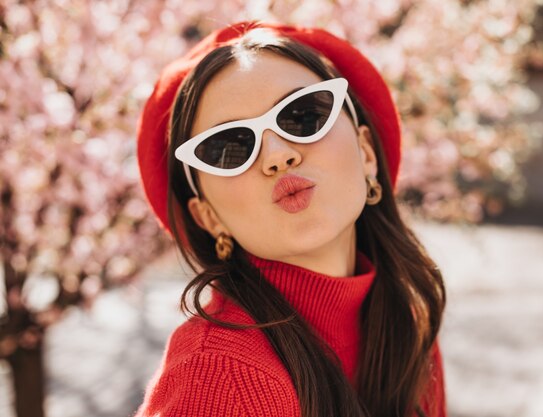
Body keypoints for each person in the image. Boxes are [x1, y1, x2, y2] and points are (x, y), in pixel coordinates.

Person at [133, 20, 447, 417]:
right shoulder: (218, 376)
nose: (278, 155)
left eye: (304, 115)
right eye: (229, 147)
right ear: (208, 217)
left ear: (366, 152)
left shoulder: (407, 325)